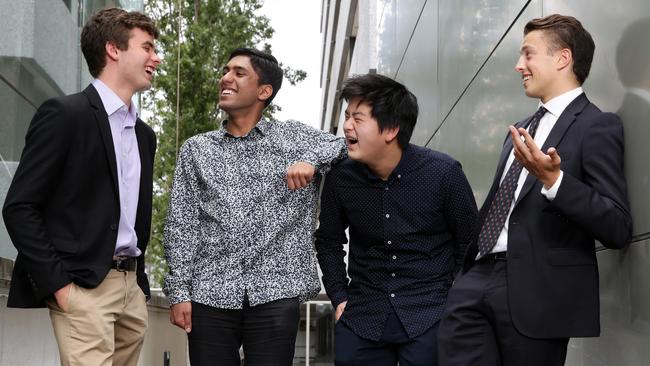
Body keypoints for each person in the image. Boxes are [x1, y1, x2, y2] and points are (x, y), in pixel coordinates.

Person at [438, 14, 632, 366]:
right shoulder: (520, 130)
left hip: (538, 294)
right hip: (473, 282)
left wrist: (554, 181)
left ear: (562, 58)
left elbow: (617, 226)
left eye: (528, 55)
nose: (518, 65)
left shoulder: (596, 126)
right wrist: (462, 278)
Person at [162, 47, 347, 365]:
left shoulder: (293, 137)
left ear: (264, 91)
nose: (225, 78)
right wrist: (179, 291)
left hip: (276, 292)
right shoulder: (197, 149)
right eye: (225, 71)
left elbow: (345, 144)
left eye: (238, 73)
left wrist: (312, 160)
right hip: (209, 293)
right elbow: (181, 223)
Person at [2, 8, 160, 366]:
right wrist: (60, 287)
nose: (156, 57)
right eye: (147, 47)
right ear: (113, 50)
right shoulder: (64, 114)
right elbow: (19, 207)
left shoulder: (144, 136)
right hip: (83, 290)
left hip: (130, 291)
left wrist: (138, 287)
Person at [315, 73, 478, 366]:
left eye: (358, 118)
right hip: (363, 316)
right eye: (347, 116)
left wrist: (454, 300)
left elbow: (469, 242)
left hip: (430, 314)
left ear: (390, 129)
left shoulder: (444, 173)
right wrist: (339, 296)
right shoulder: (340, 177)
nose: (347, 126)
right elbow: (328, 241)